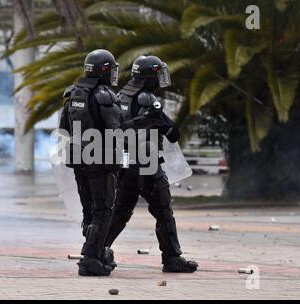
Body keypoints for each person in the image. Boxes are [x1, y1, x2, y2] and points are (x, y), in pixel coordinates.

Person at [104, 55, 198, 273]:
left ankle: (97, 250)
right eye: (158, 74)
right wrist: (157, 120)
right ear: (149, 77)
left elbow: (115, 129)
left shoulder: (120, 96)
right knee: (163, 211)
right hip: (147, 164)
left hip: (125, 164)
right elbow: (173, 133)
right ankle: (172, 258)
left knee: (120, 213)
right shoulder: (147, 99)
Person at [59, 49, 122, 276]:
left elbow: (63, 129)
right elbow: (117, 131)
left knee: (89, 210)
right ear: (103, 70)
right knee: (103, 209)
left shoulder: (73, 94)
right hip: (100, 159)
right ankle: (91, 258)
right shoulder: (104, 95)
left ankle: (96, 253)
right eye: (111, 69)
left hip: (78, 158)